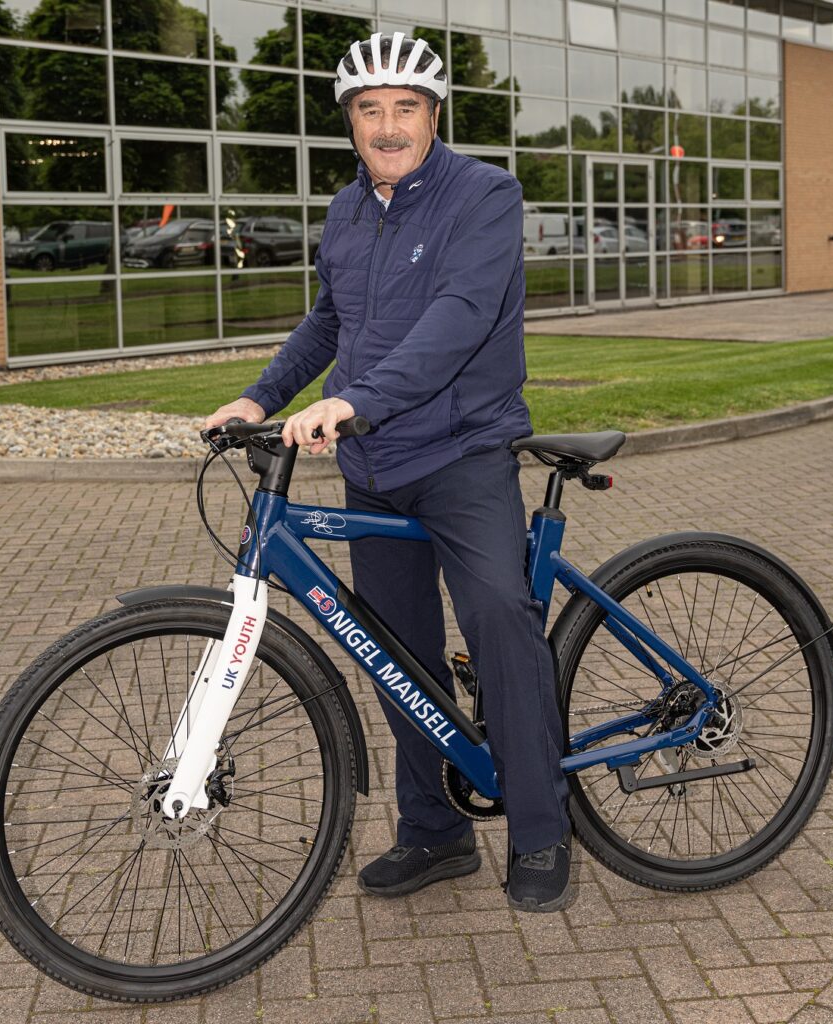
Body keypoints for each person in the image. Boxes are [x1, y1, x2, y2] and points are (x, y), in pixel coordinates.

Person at [206, 31, 572, 912]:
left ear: (433, 116)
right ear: (350, 125)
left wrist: (354, 401)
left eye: (403, 107)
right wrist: (259, 400)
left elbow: (456, 318)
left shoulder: (484, 195)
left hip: (462, 454)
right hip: (374, 465)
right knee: (396, 656)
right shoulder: (345, 210)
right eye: (368, 110)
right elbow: (329, 322)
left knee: (496, 617)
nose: (386, 124)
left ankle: (540, 829)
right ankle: (435, 834)